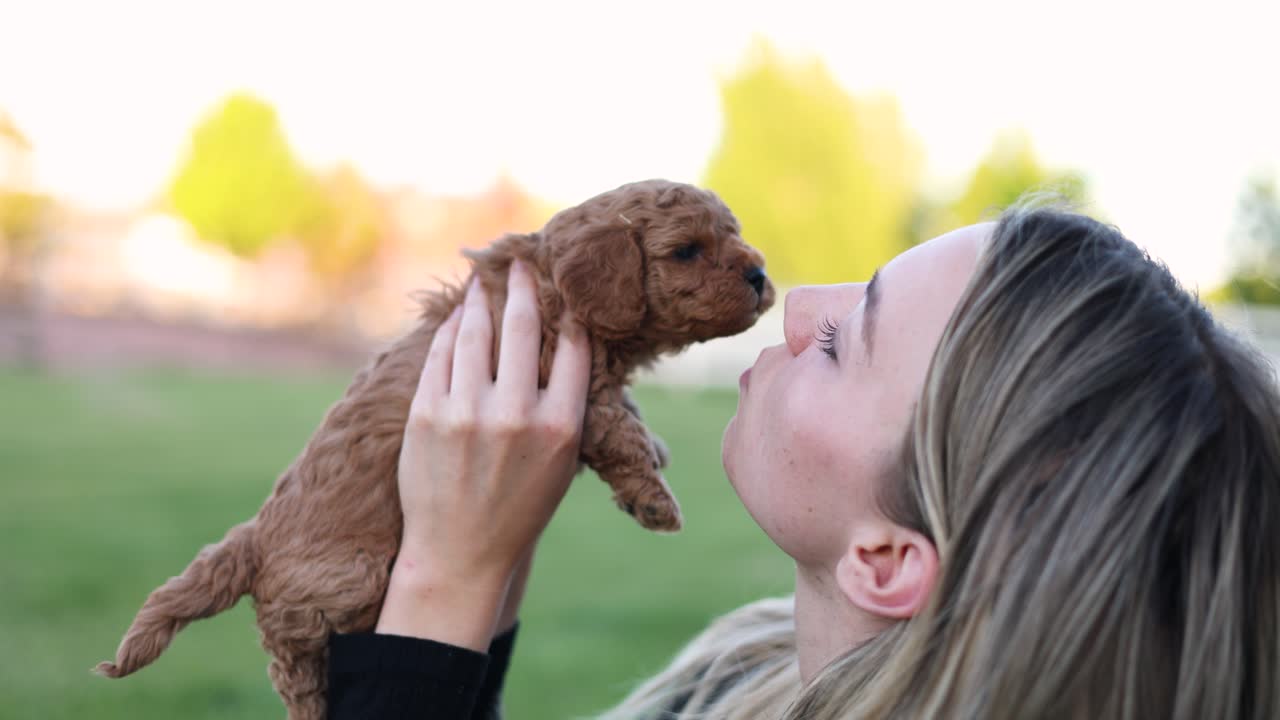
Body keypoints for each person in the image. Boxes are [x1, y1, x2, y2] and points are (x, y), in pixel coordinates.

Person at [327, 201, 1280, 719]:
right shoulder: (742, 676)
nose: (793, 307)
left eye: (840, 344)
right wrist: (493, 579)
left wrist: (443, 584)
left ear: (889, 558)